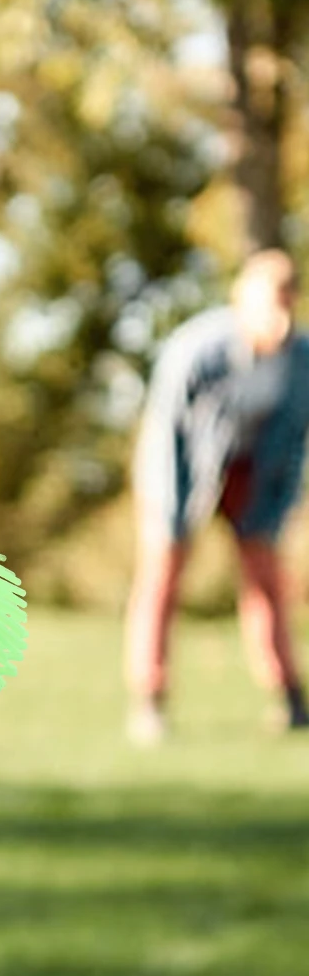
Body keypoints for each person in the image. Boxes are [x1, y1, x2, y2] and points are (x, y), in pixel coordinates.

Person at [125, 248, 309, 744]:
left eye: (288, 302)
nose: (280, 316)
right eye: (271, 302)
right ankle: (150, 698)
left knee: (265, 580)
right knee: (162, 575)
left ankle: (289, 695)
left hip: (253, 473)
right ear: (242, 298)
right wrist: (171, 515)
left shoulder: (300, 358)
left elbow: (294, 443)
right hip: (182, 467)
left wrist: (273, 510)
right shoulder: (197, 349)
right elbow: (167, 439)